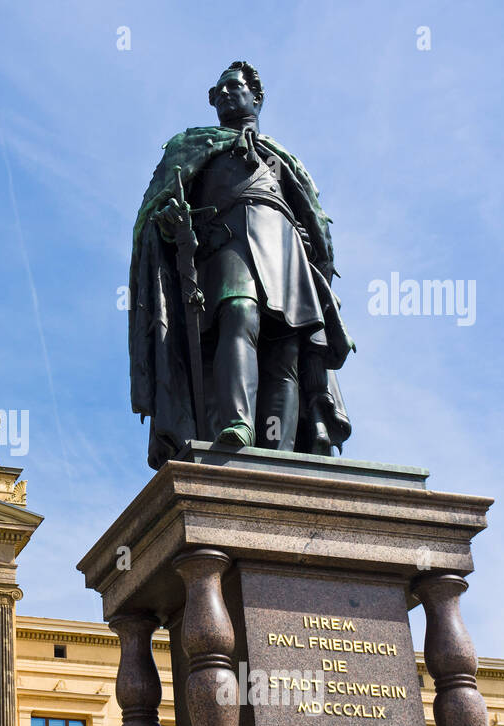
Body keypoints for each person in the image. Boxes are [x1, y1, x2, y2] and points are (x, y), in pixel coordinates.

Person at [130, 61, 353, 467]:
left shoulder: (281, 156)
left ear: (256, 97)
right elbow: (159, 215)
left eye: (234, 87)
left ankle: (279, 452)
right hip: (227, 247)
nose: (226, 95)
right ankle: (238, 424)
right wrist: (169, 226)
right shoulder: (192, 146)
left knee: (285, 347)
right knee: (239, 314)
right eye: (219, 92)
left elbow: (313, 221)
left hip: (284, 250)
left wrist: (308, 244)